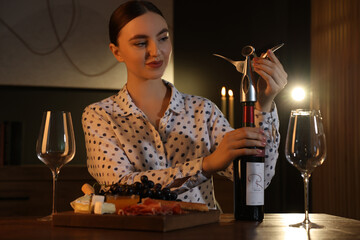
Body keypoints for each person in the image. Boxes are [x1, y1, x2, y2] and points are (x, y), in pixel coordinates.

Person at [82, 0, 287, 209]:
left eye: (163, 38)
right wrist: (206, 165)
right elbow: (119, 188)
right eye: (141, 43)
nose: (156, 51)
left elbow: (257, 180)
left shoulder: (203, 110)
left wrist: (264, 104)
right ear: (116, 52)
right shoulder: (100, 115)